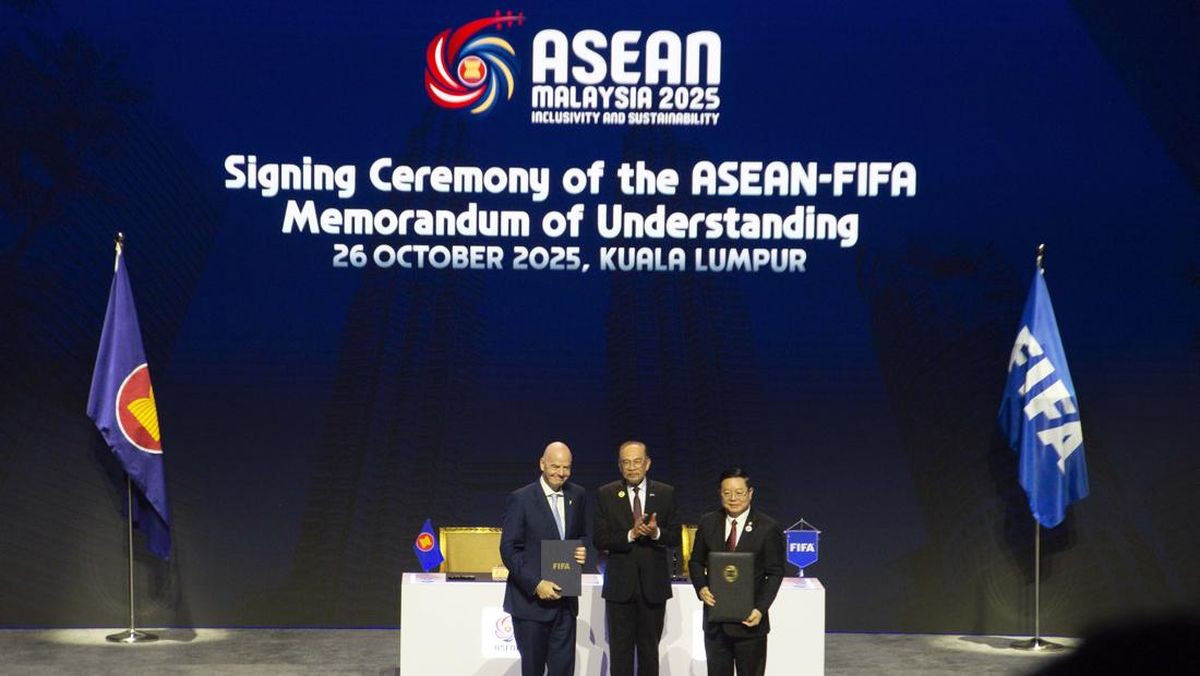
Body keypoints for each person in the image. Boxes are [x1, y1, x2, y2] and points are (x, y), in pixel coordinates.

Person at [500, 441, 591, 676]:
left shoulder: (578, 494)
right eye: (555, 466)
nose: (561, 473)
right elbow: (509, 549)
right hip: (531, 606)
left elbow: (579, 537)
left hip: (565, 604)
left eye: (566, 467)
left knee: (563, 671)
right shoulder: (521, 499)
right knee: (533, 670)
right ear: (542, 464)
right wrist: (536, 584)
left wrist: (581, 550)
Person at [593, 440, 681, 676]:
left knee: (649, 654)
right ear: (620, 466)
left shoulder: (665, 493)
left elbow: (675, 537)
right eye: (626, 462)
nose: (632, 467)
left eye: (637, 461)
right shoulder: (606, 494)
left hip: (653, 588)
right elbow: (600, 540)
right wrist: (630, 534)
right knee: (620, 655)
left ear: (647, 463)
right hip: (619, 589)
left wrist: (656, 533)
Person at [688, 467, 785, 676]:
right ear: (719, 493)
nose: (733, 498)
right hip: (716, 624)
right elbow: (695, 562)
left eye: (739, 493)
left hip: (750, 622)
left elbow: (775, 572)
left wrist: (760, 609)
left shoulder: (768, 527)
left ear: (750, 493)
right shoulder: (708, 522)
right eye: (727, 493)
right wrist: (701, 587)